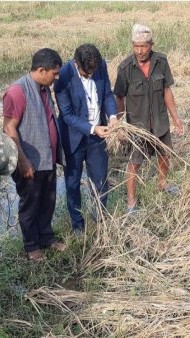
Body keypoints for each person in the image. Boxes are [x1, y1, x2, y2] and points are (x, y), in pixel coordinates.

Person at [3, 48, 67, 262]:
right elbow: (9, 128)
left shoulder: (43, 87)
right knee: (30, 204)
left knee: (48, 200)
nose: (56, 78)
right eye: (54, 73)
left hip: (46, 158)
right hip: (30, 161)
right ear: (41, 70)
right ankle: (31, 246)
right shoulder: (17, 91)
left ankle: (46, 237)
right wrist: (22, 160)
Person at [114, 24, 185, 213]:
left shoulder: (161, 61)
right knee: (135, 162)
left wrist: (176, 118)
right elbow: (119, 97)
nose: (140, 51)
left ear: (151, 45)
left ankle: (162, 183)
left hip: (160, 122)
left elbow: (166, 90)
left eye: (144, 46)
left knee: (164, 154)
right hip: (138, 125)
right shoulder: (125, 67)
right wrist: (121, 125)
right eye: (136, 46)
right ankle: (131, 201)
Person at [54, 44, 117, 235]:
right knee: (73, 183)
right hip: (73, 137)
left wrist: (113, 117)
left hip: (98, 137)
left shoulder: (100, 66)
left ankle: (100, 219)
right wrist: (92, 128)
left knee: (100, 179)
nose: (90, 75)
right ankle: (78, 225)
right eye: (85, 72)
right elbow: (66, 114)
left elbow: (107, 94)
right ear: (76, 63)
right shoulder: (63, 75)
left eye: (92, 71)